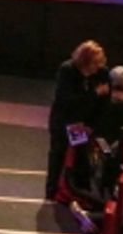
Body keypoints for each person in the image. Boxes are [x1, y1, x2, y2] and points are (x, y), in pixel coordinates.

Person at [47, 41, 109, 199]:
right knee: (58, 155)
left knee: (81, 158)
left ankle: (81, 193)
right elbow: (66, 100)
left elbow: (103, 104)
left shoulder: (101, 74)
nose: (98, 67)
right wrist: (94, 93)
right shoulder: (67, 70)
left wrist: (91, 126)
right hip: (64, 120)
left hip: (82, 123)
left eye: (100, 63)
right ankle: (52, 192)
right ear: (84, 61)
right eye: (95, 63)